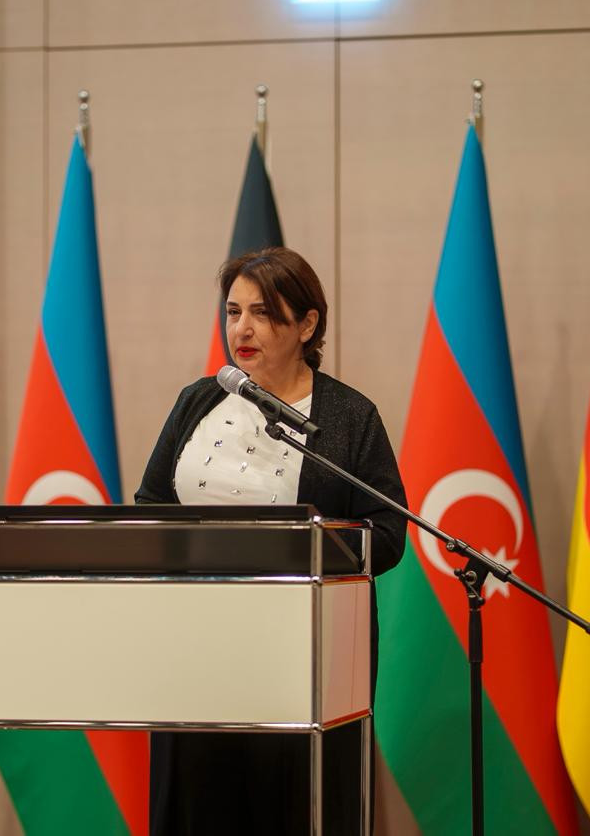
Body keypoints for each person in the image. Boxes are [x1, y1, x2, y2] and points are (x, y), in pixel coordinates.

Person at [136, 247, 408, 835]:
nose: (242, 329)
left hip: (301, 656)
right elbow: (151, 506)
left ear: (307, 325)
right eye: (233, 312)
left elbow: (387, 534)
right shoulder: (197, 401)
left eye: (261, 313)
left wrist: (305, 550)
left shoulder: (349, 416)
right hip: (194, 650)